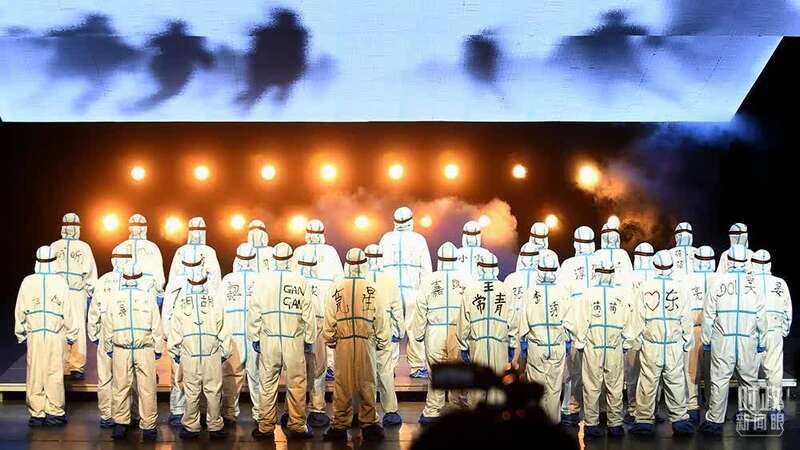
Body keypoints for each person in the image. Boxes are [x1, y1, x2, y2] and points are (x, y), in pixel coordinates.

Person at [248, 243, 315, 441]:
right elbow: (308, 313)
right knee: (297, 383)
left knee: (267, 384)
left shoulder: (262, 280)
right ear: (291, 259)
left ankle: (265, 427)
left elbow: (254, 311)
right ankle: (297, 425)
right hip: (293, 339)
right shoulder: (300, 281)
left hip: (269, 339)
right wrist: (309, 338)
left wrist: (254, 336)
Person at [322, 248, 391, 442]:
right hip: (365, 341)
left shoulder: (336, 287)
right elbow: (381, 317)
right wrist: (382, 340)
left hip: (343, 342)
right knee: (367, 383)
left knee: (342, 384)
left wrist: (330, 338)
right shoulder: (372, 287)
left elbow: (329, 316)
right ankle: (369, 424)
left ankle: (339, 425)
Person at [564, 258, 635, 438]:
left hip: (601, 346)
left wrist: (580, 341)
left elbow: (579, 320)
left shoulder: (592, 294)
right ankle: (605, 424)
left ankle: (602, 423)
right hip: (605, 346)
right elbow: (628, 321)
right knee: (605, 387)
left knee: (601, 386)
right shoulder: (613, 294)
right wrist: (626, 341)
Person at [700, 245, 766, 435]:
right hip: (747, 339)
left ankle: (715, 421)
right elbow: (762, 317)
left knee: (719, 380)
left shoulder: (718, 281)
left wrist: (706, 340)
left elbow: (708, 315)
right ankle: (752, 418)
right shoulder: (755, 283)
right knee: (749, 380)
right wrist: (762, 341)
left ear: (728, 261)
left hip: (723, 340)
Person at [628, 251, 694, 436]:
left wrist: (636, 341)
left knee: (648, 383)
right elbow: (686, 318)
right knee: (676, 382)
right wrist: (687, 341)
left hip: (652, 344)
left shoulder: (645, 287)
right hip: (673, 344)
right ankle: (680, 421)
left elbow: (637, 317)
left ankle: (644, 421)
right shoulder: (680, 287)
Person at [14, 246, 78, 426]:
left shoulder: (28, 281)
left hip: (35, 334)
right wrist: (72, 333)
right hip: (54, 335)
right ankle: (54, 412)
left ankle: (37, 413)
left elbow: (20, 308)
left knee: (35, 373)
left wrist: (20, 332)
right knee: (54, 372)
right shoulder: (60, 282)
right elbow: (68, 310)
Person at [167, 266, 231, 440]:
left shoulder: (181, 302)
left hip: (190, 354)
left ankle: (191, 427)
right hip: (211, 353)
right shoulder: (215, 300)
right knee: (214, 391)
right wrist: (225, 351)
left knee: (191, 392)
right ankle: (215, 426)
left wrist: (175, 351)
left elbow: (175, 329)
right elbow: (224, 327)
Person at [101, 263, 162, 441]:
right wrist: (158, 348)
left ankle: (120, 424)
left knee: (120, 387)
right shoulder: (148, 298)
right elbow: (157, 326)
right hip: (144, 349)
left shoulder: (113, 298)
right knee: (147, 388)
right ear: (141, 278)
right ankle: (149, 427)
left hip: (122, 349)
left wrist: (108, 347)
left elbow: (107, 326)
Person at [413, 242, 469, 424]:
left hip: (435, 331)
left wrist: (418, 333)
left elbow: (420, 308)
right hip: (457, 331)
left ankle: (432, 412)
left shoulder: (428, 280)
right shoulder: (466, 279)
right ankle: (459, 412)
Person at [518, 249, 572, 424]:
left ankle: (538, 424)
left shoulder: (530, 292)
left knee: (537, 388)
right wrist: (568, 341)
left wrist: (523, 343)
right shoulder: (563, 292)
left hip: (537, 346)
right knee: (555, 388)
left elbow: (522, 321)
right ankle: (553, 424)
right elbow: (570, 320)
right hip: (557, 346)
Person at [457, 253, 517, 407]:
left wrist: (463, 346)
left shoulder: (470, 290)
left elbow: (464, 322)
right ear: (496, 269)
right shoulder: (506, 290)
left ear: (480, 268)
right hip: (500, 345)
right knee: (498, 386)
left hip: (477, 344)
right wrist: (512, 344)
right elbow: (513, 322)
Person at [379, 206, 433, 379]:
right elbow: (426, 269)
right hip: (413, 293)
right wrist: (426, 294)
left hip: (390, 293)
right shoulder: (418, 239)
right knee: (415, 331)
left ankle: (389, 368)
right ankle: (417, 367)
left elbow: (378, 267)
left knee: (390, 331)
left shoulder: (386, 239)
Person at [87, 244, 133, 428]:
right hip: (127, 334)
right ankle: (126, 414)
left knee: (106, 376)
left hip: (106, 333)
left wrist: (94, 334)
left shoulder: (103, 280)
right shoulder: (136, 280)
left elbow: (94, 311)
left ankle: (107, 415)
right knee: (127, 376)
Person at [554, 225, 597, 425]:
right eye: (582, 242)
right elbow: (561, 295)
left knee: (596, 371)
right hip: (574, 321)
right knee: (572, 371)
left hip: (596, 321)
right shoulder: (568, 265)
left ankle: (598, 412)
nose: (584, 246)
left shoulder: (600, 261)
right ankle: (570, 408)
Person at [293, 218, 343, 380]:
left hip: (311, 298)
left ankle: (322, 366)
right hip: (316, 298)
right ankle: (325, 367)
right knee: (325, 333)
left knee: (315, 332)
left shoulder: (301, 251)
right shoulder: (329, 251)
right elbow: (339, 279)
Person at [51, 212, 98, 379]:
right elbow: (91, 273)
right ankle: (67, 364)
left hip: (71, 292)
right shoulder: (79, 247)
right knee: (68, 326)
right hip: (66, 292)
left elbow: (90, 271)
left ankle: (73, 364)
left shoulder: (57, 246)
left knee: (69, 326)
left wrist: (91, 292)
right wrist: (91, 291)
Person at [218, 243, 261, 425]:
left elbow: (218, 309)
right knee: (256, 377)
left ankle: (231, 413)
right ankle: (260, 415)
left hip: (241, 336)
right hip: (248, 336)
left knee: (234, 376)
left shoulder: (228, 279)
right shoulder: (260, 279)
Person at [364, 243, 405, 427]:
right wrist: (399, 330)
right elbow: (397, 307)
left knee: (365, 372)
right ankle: (390, 411)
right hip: (383, 327)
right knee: (385, 370)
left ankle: (366, 411)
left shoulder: (360, 279)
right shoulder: (389, 279)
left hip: (364, 328)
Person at [751, 249, 792, 413]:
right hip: (774, 331)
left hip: (752, 331)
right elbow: (788, 310)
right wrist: (784, 330)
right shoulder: (780, 283)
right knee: (774, 370)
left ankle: (750, 409)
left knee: (749, 372)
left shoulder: (748, 282)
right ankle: (775, 406)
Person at [296, 251, 333, 428]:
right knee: (317, 370)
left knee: (299, 372)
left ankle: (295, 412)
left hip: (300, 327)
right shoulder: (324, 285)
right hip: (315, 326)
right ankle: (315, 410)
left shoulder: (295, 282)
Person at [682, 245, 716, 422]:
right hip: (698, 328)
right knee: (694, 370)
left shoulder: (718, 278)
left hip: (710, 329)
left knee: (707, 371)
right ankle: (699, 405)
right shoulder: (718, 278)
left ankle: (701, 405)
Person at [623, 242, 654, 423]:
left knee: (651, 373)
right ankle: (632, 407)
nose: (644, 258)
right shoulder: (629, 276)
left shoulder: (656, 276)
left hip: (651, 331)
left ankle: (650, 409)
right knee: (632, 372)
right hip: (632, 329)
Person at [505, 242, 549, 368]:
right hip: (537, 331)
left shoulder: (511, 279)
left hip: (516, 331)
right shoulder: (543, 280)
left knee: (515, 370)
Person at [167, 216, 221, 294]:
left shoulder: (208, 251)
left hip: (195, 294)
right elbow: (215, 278)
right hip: (192, 294)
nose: (197, 233)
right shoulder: (208, 251)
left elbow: (173, 277)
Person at [119, 214, 165, 295]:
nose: (136, 228)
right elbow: (158, 273)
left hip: (145, 288)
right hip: (131, 289)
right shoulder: (152, 247)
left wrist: (159, 288)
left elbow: (158, 270)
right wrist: (159, 289)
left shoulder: (121, 246)